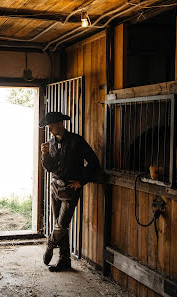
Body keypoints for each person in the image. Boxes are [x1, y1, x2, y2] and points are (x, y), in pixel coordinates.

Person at [39, 111, 100, 272]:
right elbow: (50, 168)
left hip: (70, 189)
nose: (50, 129)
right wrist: (44, 155)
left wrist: (82, 181)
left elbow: (94, 162)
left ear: (61, 124)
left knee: (62, 223)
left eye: (52, 126)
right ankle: (64, 260)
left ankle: (50, 244)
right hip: (54, 187)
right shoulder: (51, 143)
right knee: (61, 226)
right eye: (48, 126)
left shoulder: (76, 141)